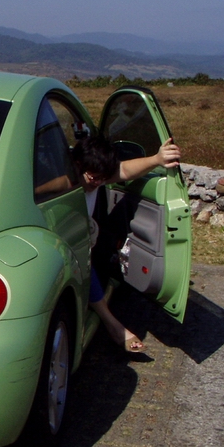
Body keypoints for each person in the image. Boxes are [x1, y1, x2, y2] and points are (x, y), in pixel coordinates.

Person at [71, 135, 182, 352]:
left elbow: (124, 170)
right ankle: (113, 325)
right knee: (84, 264)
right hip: (68, 250)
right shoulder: (64, 184)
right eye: (93, 177)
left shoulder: (94, 177)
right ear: (76, 165)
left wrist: (157, 159)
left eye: (103, 178)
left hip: (80, 246)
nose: (98, 183)